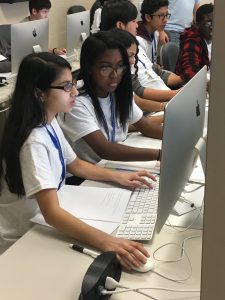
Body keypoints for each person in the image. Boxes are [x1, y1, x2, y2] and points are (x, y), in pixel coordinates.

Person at [0, 52, 155, 270]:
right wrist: (107, 242)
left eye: (73, 83)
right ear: (40, 94)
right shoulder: (33, 142)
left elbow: (75, 164)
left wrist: (120, 176)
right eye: (65, 87)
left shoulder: (49, 120)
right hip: (24, 238)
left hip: (44, 222)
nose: (74, 92)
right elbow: (52, 213)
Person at [58, 31, 162, 167]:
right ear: (89, 67)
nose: (115, 75)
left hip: (111, 165)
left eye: (120, 66)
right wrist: (160, 155)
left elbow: (145, 126)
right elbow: (105, 150)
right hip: (88, 175)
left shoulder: (117, 91)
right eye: (105, 67)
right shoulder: (76, 100)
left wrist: (181, 138)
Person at [100, 0, 180, 102]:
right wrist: (174, 96)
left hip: (167, 99)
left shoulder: (134, 43)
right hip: (155, 106)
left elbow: (155, 71)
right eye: (133, 21)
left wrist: (182, 82)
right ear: (120, 25)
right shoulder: (117, 56)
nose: (137, 25)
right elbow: (137, 93)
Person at [175, 3, 213, 84]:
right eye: (209, 23)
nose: (212, 26)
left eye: (215, 22)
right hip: (188, 89)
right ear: (198, 24)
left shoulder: (215, 39)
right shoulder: (192, 40)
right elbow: (191, 74)